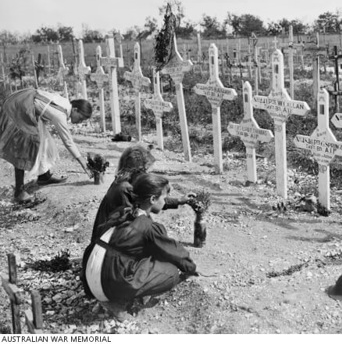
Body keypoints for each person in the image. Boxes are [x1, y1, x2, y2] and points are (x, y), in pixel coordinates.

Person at [82, 173, 198, 321]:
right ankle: (118, 302)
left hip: (90, 278)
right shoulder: (147, 226)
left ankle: (112, 295)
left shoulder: (123, 212)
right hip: (109, 283)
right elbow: (173, 251)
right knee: (171, 272)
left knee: (138, 256)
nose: (164, 201)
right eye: (163, 198)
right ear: (153, 199)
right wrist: (190, 267)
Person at [0, 88, 92, 203]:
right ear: (75, 109)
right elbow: (68, 141)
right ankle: (19, 192)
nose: (80, 122)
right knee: (24, 146)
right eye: (81, 118)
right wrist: (83, 163)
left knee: (45, 140)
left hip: (25, 102)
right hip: (19, 107)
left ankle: (44, 177)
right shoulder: (60, 114)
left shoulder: (64, 102)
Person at [89, 145, 195, 242]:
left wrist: (179, 201)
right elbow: (133, 221)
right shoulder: (124, 188)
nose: (147, 174)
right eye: (146, 171)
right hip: (107, 242)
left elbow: (152, 199)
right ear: (138, 170)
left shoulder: (126, 182)